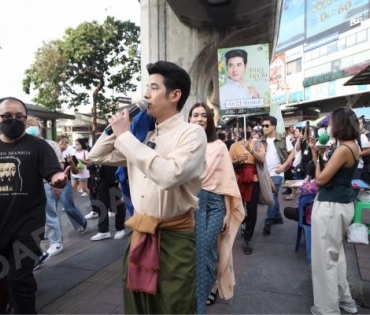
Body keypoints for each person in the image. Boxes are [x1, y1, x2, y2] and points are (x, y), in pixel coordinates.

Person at [89, 61, 207, 314]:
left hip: (174, 237)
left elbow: (169, 175)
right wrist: (120, 127)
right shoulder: (145, 137)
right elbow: (97, 155)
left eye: (153, 88)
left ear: (175, 95)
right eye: (146, 88)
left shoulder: (192, 134)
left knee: (175, 304)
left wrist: (126, 137)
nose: (145, 95)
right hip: (140, 231)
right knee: (136, 304)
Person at [0, 97, 68, 314]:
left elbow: (53, 171)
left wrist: (58, 178)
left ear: (25, 118)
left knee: (20, 279)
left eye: (19, 117)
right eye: (7, 116)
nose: (13, 120)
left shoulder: (39, 146)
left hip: (27, 226)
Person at [188, 103, 244, 313]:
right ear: (189, 119)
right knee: (197, 253)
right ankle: (202, 291)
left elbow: (227, 182)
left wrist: (229, 214)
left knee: (206, 250)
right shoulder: (183, 145)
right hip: (190, 204)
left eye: (204, 115)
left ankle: (200, 303)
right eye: (195, 115)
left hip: (214, 206)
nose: (200, 118)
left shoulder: (219, 146)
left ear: (209, 120)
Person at [310, 107, 359, 315]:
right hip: (342, 204)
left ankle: (327, 309)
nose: (328, 127)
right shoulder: (353, 146)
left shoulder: (342, 149)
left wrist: (316, 159)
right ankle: (344, 299)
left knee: (325, 260)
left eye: (331, 123)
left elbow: (320, 179)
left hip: (331, 206)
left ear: (338, 124)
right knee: (336, 255)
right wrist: (320, 157)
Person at [229, 130, 265, 254]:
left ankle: (248, 237)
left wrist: (251, 150)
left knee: (252, 210)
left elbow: (262, 160)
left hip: (253, 180)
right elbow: (229, 163)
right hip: (238, 180)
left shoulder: (258, 144)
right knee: (237, 208)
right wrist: (238, 160)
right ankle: (242, 224)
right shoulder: (234, 146)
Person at [261, 116, 295, 235]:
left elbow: (292, 153)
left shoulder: (283, 138)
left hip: (277, 173)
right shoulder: (261, 140)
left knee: (271, 195)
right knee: (274, 197)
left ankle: (268, 222)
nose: (264, 128)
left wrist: (284, 166)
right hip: (264, 173)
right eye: (263, 126)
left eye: (266, 125)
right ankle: (278, 216)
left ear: (273, 126)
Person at [89, 165, 127, 241]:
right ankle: (103, 230)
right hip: (101, 175)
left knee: (116, 203)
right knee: (101, 203)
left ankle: (120, 228)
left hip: (113, 174)